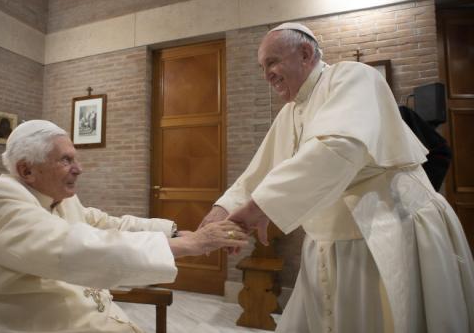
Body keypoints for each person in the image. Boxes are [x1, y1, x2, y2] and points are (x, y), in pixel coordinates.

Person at [199, 23, 474, 332]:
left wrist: (257, 208)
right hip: (328, 243)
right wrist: (223, 209)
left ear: (305, 53)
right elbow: (261, 170)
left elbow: (337, 149)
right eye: (263, 67)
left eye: (272, 62)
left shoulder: (352, 77)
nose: (267, 75)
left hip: (386, 230)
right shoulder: (290, 112)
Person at [0, 119, 248, 333]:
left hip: (83, 319)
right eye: (66, 160)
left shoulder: (59, 197)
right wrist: (190, 245)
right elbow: (72, 247)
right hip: (21, 324)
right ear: (26, 170)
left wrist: (174, 232)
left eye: (76, 159)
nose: (78, 169)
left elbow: (106, 223)